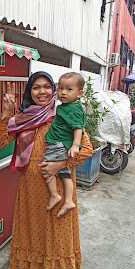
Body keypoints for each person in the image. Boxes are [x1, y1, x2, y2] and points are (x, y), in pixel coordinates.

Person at [0, 71, 93, 269]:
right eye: (36, 87)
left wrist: (60, 164)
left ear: (53, 90)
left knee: (57, 236)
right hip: (30, 192)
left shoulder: (63, 114)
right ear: (30, 91)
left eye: (47, 86)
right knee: (32, 235)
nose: (42, 91)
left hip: (58, 191)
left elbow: (87, 149)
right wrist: (6, 114)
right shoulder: (22, 119)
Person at [43, 72, 87, 217]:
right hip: (59, 145)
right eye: (60, 88)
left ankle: (55, 194)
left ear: (80, 93)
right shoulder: (65, 107)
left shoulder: (73, 109)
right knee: (65, 174)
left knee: (47, 170)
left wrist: (75, 145)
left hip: (58, 145)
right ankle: (68, 200)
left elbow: (78, 128)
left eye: (69, 89)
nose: (63, 92)